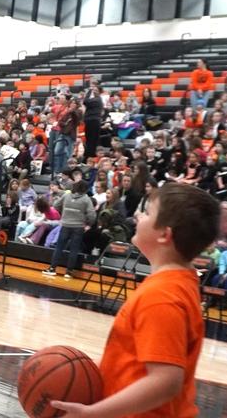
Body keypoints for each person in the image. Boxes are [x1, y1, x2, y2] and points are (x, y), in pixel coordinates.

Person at [51, 183, 220, 418]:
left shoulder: (162, 296)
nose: (138, 216)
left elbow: (165, 382)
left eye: (148, 213)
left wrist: (92, 413)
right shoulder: (180, 282)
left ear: (164, 235)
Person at [42, 180, 95, 279]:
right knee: (73, 250)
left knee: (59, 248)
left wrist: (65, 215)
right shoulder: (86, 199)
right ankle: (69, 272)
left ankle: (52, 269)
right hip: (78, 227)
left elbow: (56, 205)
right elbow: (92, 215)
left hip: (65, 225)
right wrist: (88, 223)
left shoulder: (67, 195)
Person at [83, 82, 104, 160]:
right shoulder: (95, 99)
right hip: (91, 121)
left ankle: (91, 156)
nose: (94, 91)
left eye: (96, 90)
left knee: (92, 140)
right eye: (93, 90)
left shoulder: (97, 99)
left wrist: (89, 91)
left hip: (93, 121)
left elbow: (85, 101)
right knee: (89, 139)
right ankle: (89, 156)